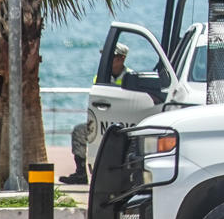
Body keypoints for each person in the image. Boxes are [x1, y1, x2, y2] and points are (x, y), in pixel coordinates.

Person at [62, 41, 155, 184]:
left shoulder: (131, 77)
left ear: (121, 59)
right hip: (103, 122)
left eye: (110, 57)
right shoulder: (101, 76)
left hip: (125, 125)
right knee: (79, 132)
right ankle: (81, 173)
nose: (105, 59)